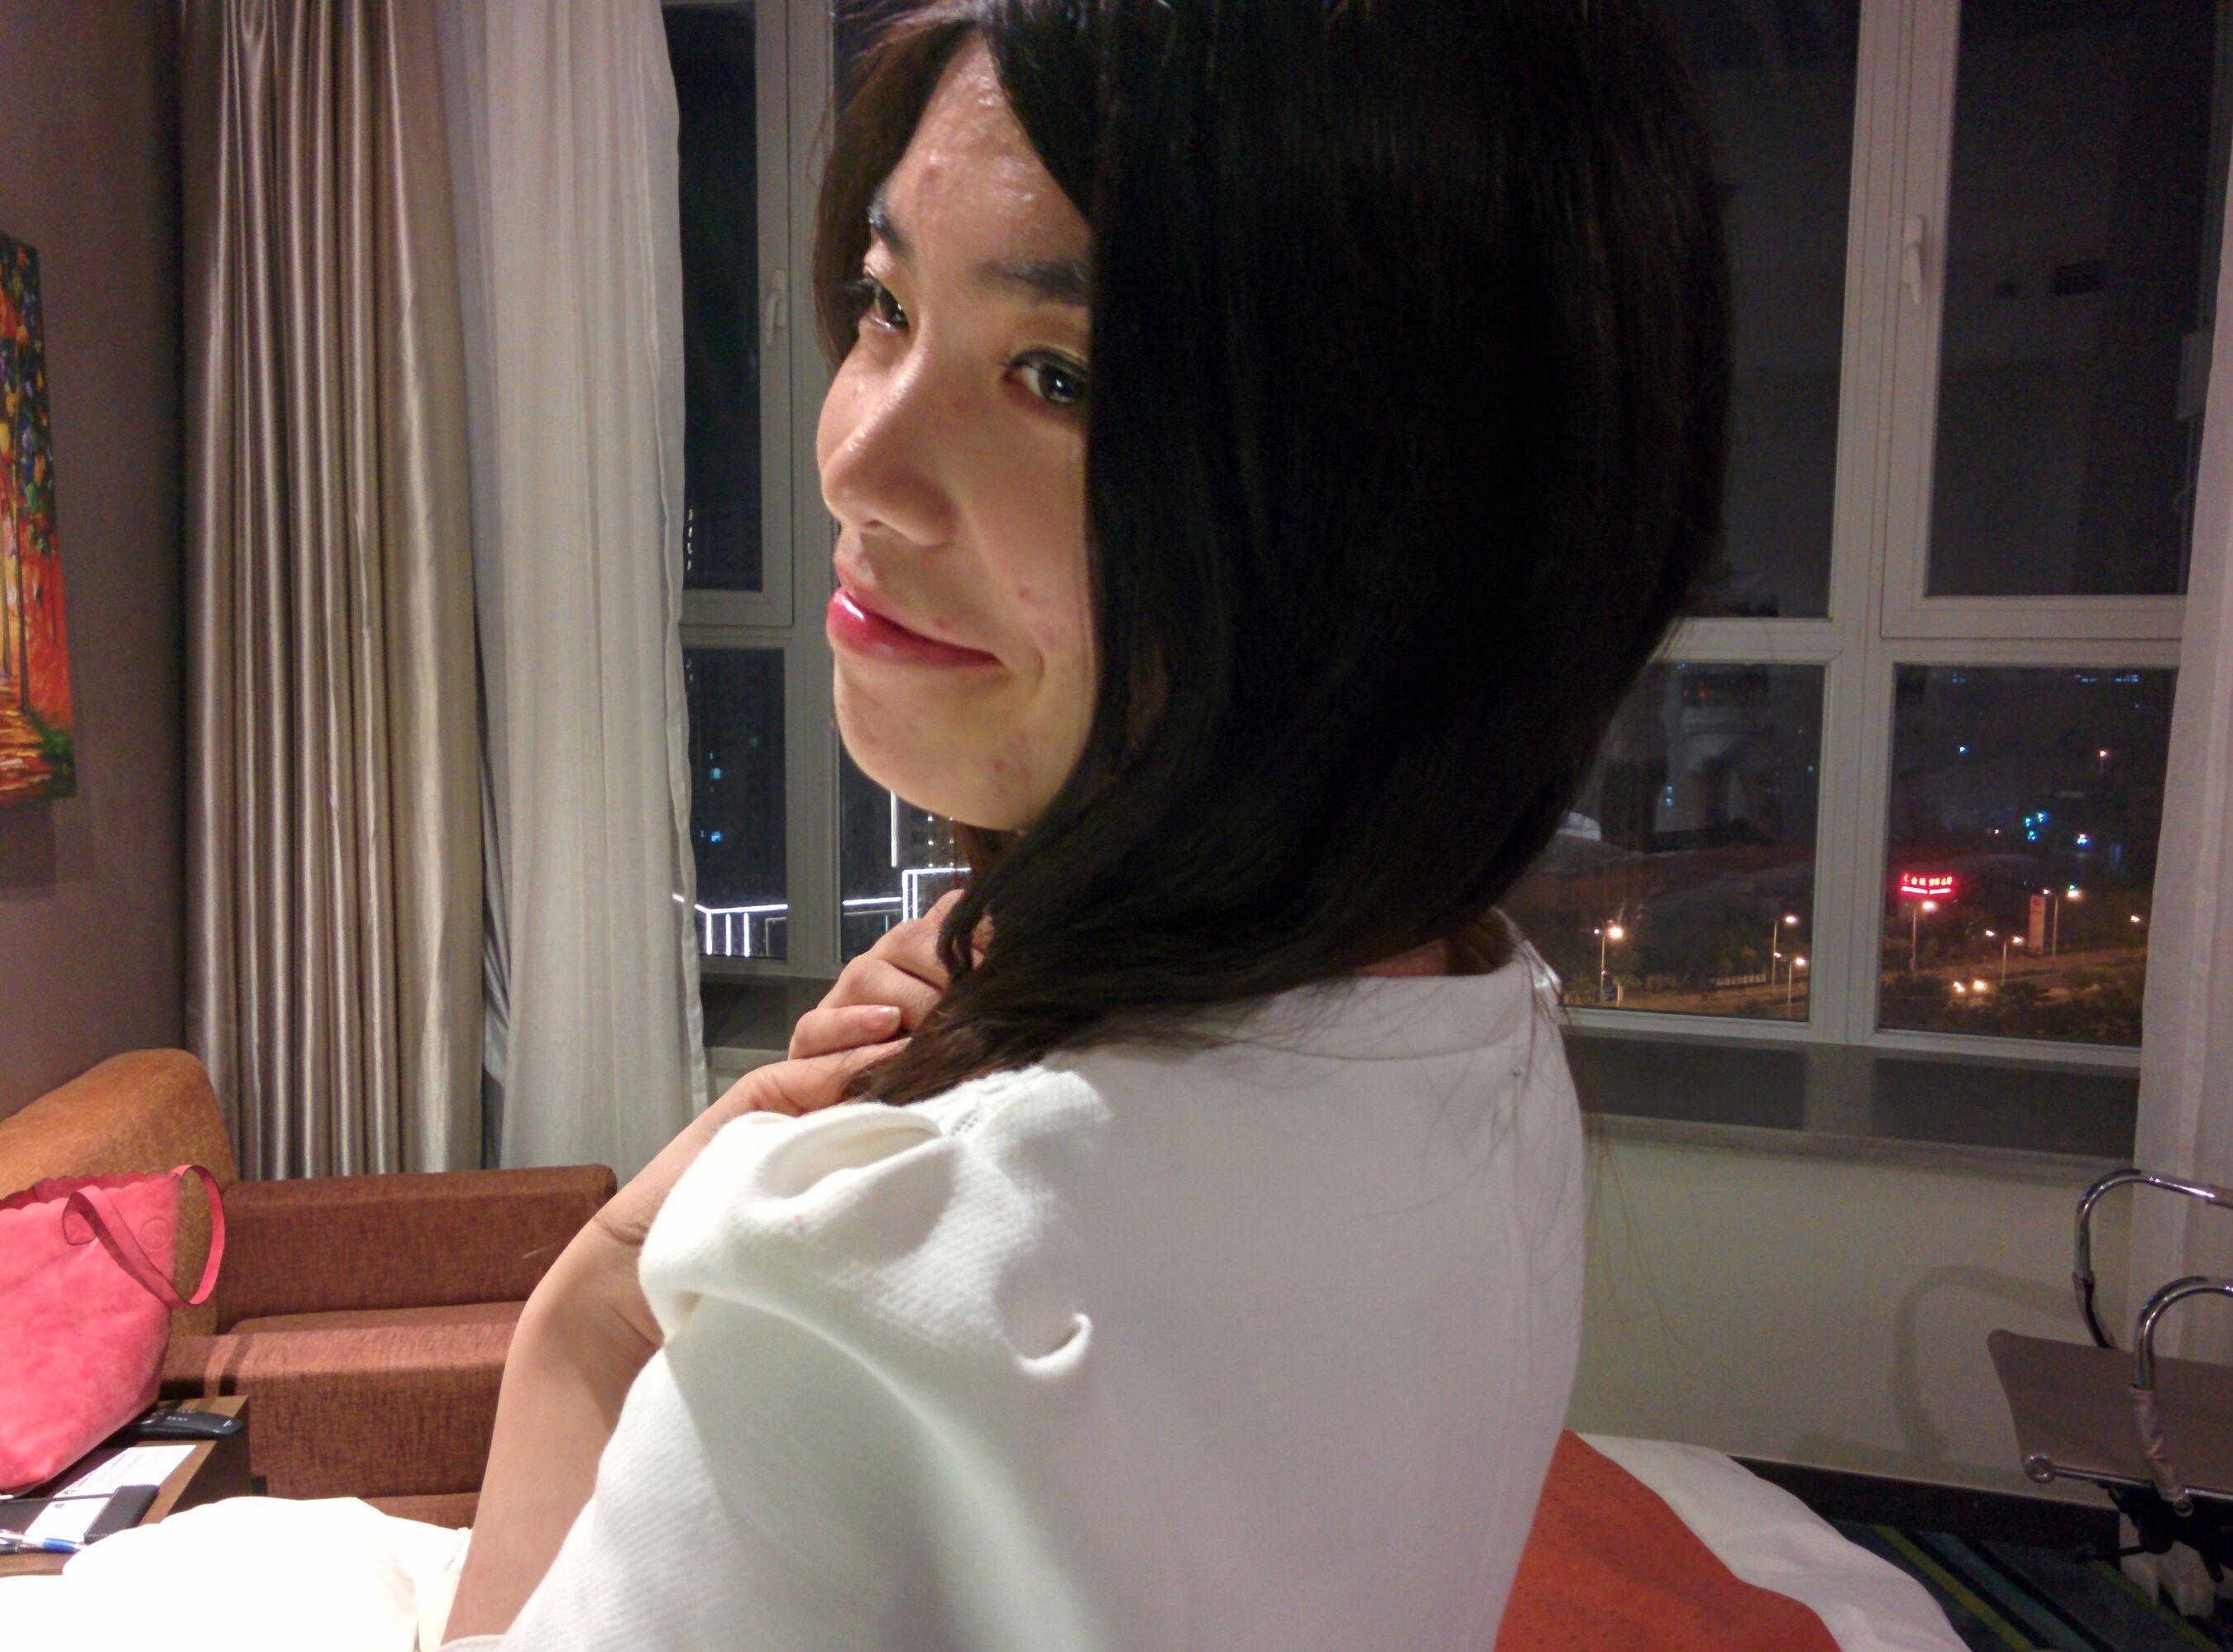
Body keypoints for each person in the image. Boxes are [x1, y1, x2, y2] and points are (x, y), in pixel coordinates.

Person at [442, 0, 1729, 1645]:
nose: (858, 463)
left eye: (1057, 377)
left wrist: (590, 1316)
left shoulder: (874, 1298)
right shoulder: (1483, 1035)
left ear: (1400, 519)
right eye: (887, 305)